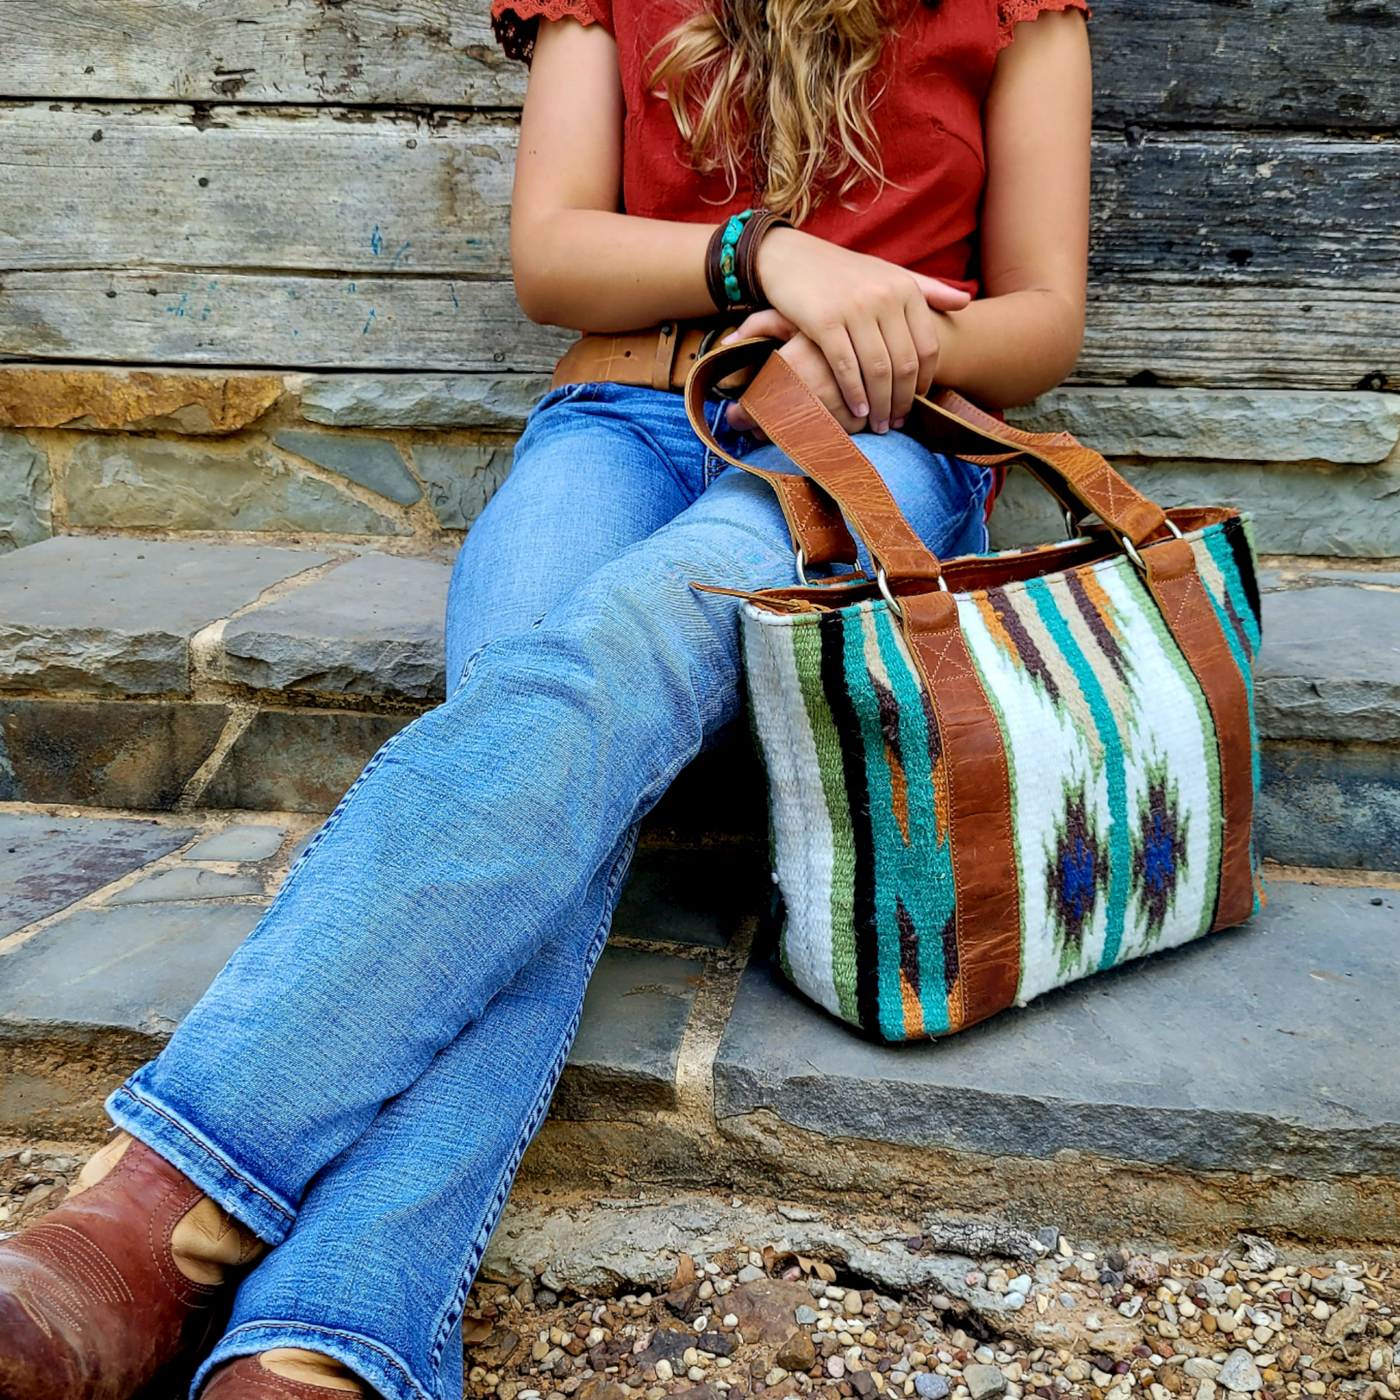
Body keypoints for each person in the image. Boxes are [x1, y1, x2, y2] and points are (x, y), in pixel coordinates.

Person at [0, 0, 1089, 1394]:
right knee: (537, 726)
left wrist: (881, 348)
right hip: (618, 419)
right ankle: (325, 1328)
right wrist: (775, 255)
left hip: (863, 447)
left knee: (615, 652)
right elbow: (554, 255)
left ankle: (157, 1212)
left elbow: (1042, 315)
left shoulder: (1019, 10)